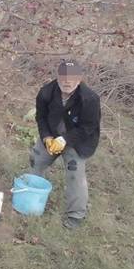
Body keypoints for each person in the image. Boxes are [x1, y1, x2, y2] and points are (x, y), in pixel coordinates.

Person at [29, 59, 101, 229]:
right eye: (63, 79)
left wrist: (65, 140)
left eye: (72, 79)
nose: (67, 82)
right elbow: (40, 117)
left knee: (75, 175)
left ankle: (75, 215)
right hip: (52, 136)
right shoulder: (46, 93)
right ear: (57, 77)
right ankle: (32, 196)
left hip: (78, 142)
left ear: (80, 79)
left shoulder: (89, 99)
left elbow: (88, 127)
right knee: (36, 160)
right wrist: (46, 137)